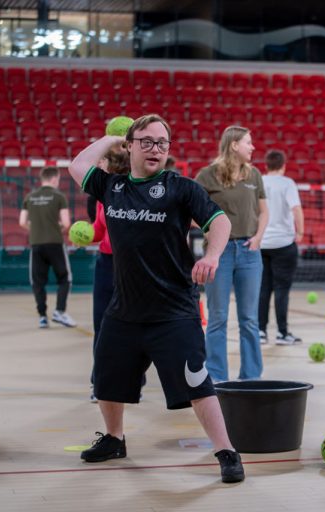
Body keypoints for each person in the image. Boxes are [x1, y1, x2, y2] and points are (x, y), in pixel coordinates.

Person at [68, 114, 244, 483]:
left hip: (173, 311)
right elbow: (78, 165)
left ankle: (226, 451)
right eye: (145, 141)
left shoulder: (180, 187)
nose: (155, 149)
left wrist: (211, 256)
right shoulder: (111, 186)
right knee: (106, 380)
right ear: (129, 146)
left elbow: (221, 222)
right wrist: (109, 137)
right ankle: (114, 439)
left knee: (197, 383)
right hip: (124, 310)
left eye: (162, 143)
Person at [195, 126, 268, 382]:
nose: (253, 147)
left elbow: (264, 212)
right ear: (234, 145)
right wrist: (209, 231)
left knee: (249, 320)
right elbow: (191, 213)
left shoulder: (254, 174)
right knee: (217, 318)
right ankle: (216, 377)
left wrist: (258, 238)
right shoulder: (207, 175)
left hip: (249, 252)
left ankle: (251, 377)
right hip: (219, 254)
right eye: (249, 142)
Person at [86, 120, 146, 404]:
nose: (99, 165)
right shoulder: (103, 195)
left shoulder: (136, 192)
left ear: (112, 164)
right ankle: (99, 380)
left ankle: (136, 378)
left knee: (136, 325)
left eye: (103, 162)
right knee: (102, 324)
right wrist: (86, 235)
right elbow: (99, 230)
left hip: (133, 267)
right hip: (106, 265)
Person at [19, 166, 76, 329]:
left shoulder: (30, 196)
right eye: (58, 180)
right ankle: (60, 311)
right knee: (65, 278)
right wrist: (56, 227)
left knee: (38, 282)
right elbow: (66, 223)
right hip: (55, 244)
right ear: (53, 179)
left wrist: (36, 228)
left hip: (36, 244)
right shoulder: (59, 196)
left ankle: (43, 317)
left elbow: (22, 222)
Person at [258, 149, 304, 345]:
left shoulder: (258, 180)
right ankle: (282, 333)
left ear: (266, 165)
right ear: (284, 166)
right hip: (283, 243)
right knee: (282, 290)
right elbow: (296, 208)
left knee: (263, 289)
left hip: (261, 242)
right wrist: (300, 232)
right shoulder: (287, 183)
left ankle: (260, 331)